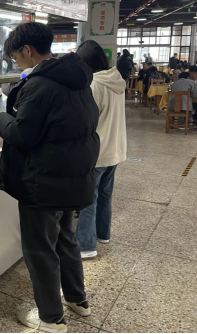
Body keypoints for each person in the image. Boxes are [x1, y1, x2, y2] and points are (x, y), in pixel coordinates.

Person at [0, 23, 99, 334]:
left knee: (40, 249)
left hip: (44, 181)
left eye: (16, 57)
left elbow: (23, 134)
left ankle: (51, 319)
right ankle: (78, 300)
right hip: (71, 177)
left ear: (27, 50)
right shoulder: (76, 78)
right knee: (66, 239)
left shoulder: (40, 85)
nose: (17, 63)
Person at [76, 41, 127, 260]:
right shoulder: (117, 79)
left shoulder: (94, 85)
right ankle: (103, 234)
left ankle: (86, 246)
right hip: (115, 148)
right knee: (105, 195)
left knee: (88, 198)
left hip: (97, 151)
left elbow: (86, 120)